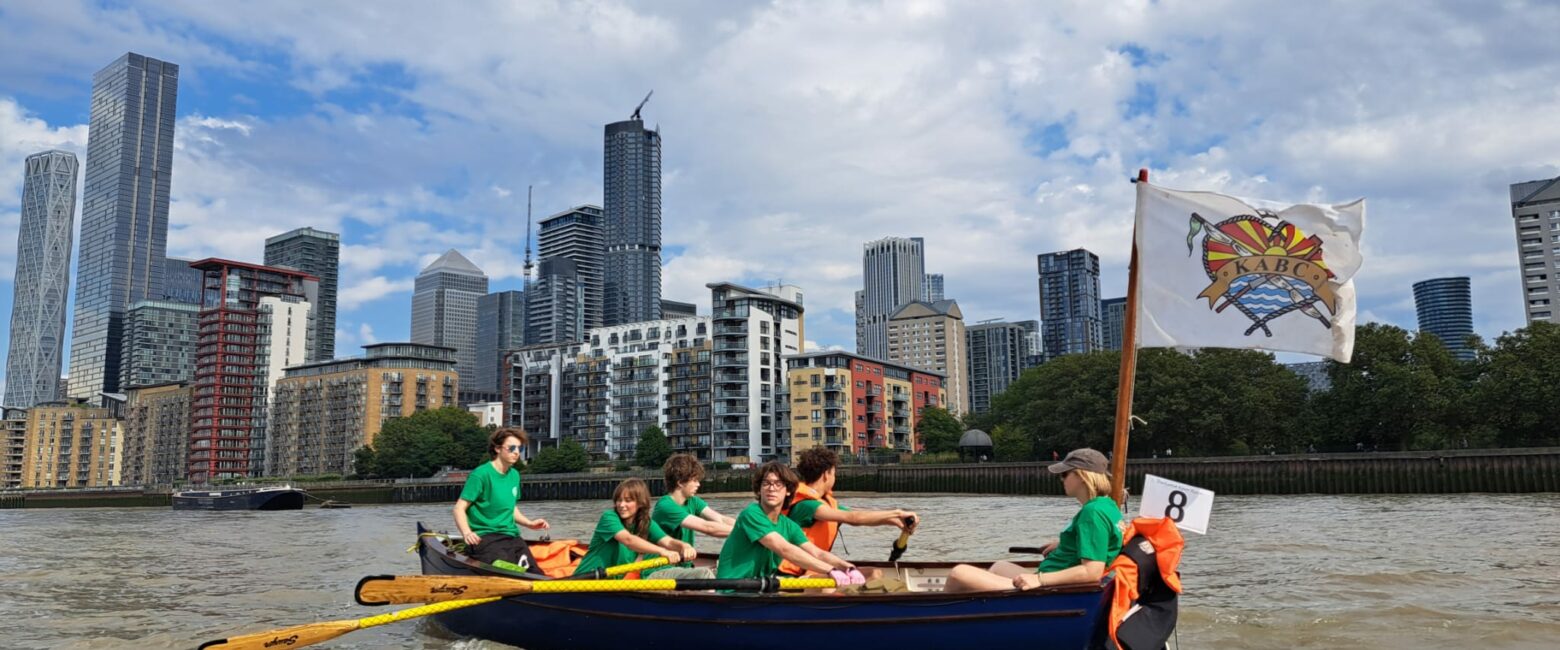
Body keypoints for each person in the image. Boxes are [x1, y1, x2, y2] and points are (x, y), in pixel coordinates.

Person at [944, 448, 1124, 593]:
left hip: (1053, 589)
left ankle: (942, 627)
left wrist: (1039, 579)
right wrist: (1064, 544)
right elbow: (1101, 541)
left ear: (1082, 477)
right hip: (1053, 580)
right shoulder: (1107, 506)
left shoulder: (1092, 513)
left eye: (1065, 474)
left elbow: (1092, 571)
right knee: (1000, 566)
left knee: (959, 573)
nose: (1061, 480)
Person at [716, 461, 862, 583]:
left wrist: (847, 567)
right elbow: (784, 549)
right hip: (732, 590)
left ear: (788, 491)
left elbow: (817, 553)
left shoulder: (788, 525)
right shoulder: (751, 514)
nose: (771, 488)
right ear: (759, 490)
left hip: (758, 589)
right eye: (766, 483)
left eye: (778, 484)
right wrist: (830, 570)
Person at [779, 447, 916, 576]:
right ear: (827, 474)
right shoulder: (807, 506)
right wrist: (898, 513)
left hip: (812, 570)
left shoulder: (825, 503)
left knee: (874, 573)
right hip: (792, 576)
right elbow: (853, 517)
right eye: (834, 472)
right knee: (873, 574)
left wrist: (896, 521)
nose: (835, 477)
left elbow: (858, 516)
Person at [453, 428, 550, 566]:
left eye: (520, 448)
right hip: (485, 537)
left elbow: (511, 508)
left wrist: (529, 523)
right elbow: (459, 508)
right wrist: (467, 533)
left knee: (534, 573)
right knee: (507, 570)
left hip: (511, 536)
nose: (516, 452)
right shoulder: (480, 475)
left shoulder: (514, 475)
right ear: (497, 449)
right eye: (511, 448)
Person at [573, 478, 695, 578]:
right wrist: (662, 551)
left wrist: (684, 546)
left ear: (640, 503)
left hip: (611, 585)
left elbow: (667, 541)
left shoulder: (646, 523)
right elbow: (628, 540)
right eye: (619, 500)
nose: (621, 505)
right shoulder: (609, 517)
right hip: (585, 581)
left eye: (628, 501)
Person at [646, 453, 734, 579]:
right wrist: (746, 532)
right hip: (657, 570)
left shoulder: (693, 501)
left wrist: (757, 529)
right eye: (695, 480)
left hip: (682, 568)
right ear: (680, 482)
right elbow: (707, 527)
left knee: (730, 569)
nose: (699, 484)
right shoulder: (665, 506)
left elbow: (720, 519)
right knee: (704, 574)